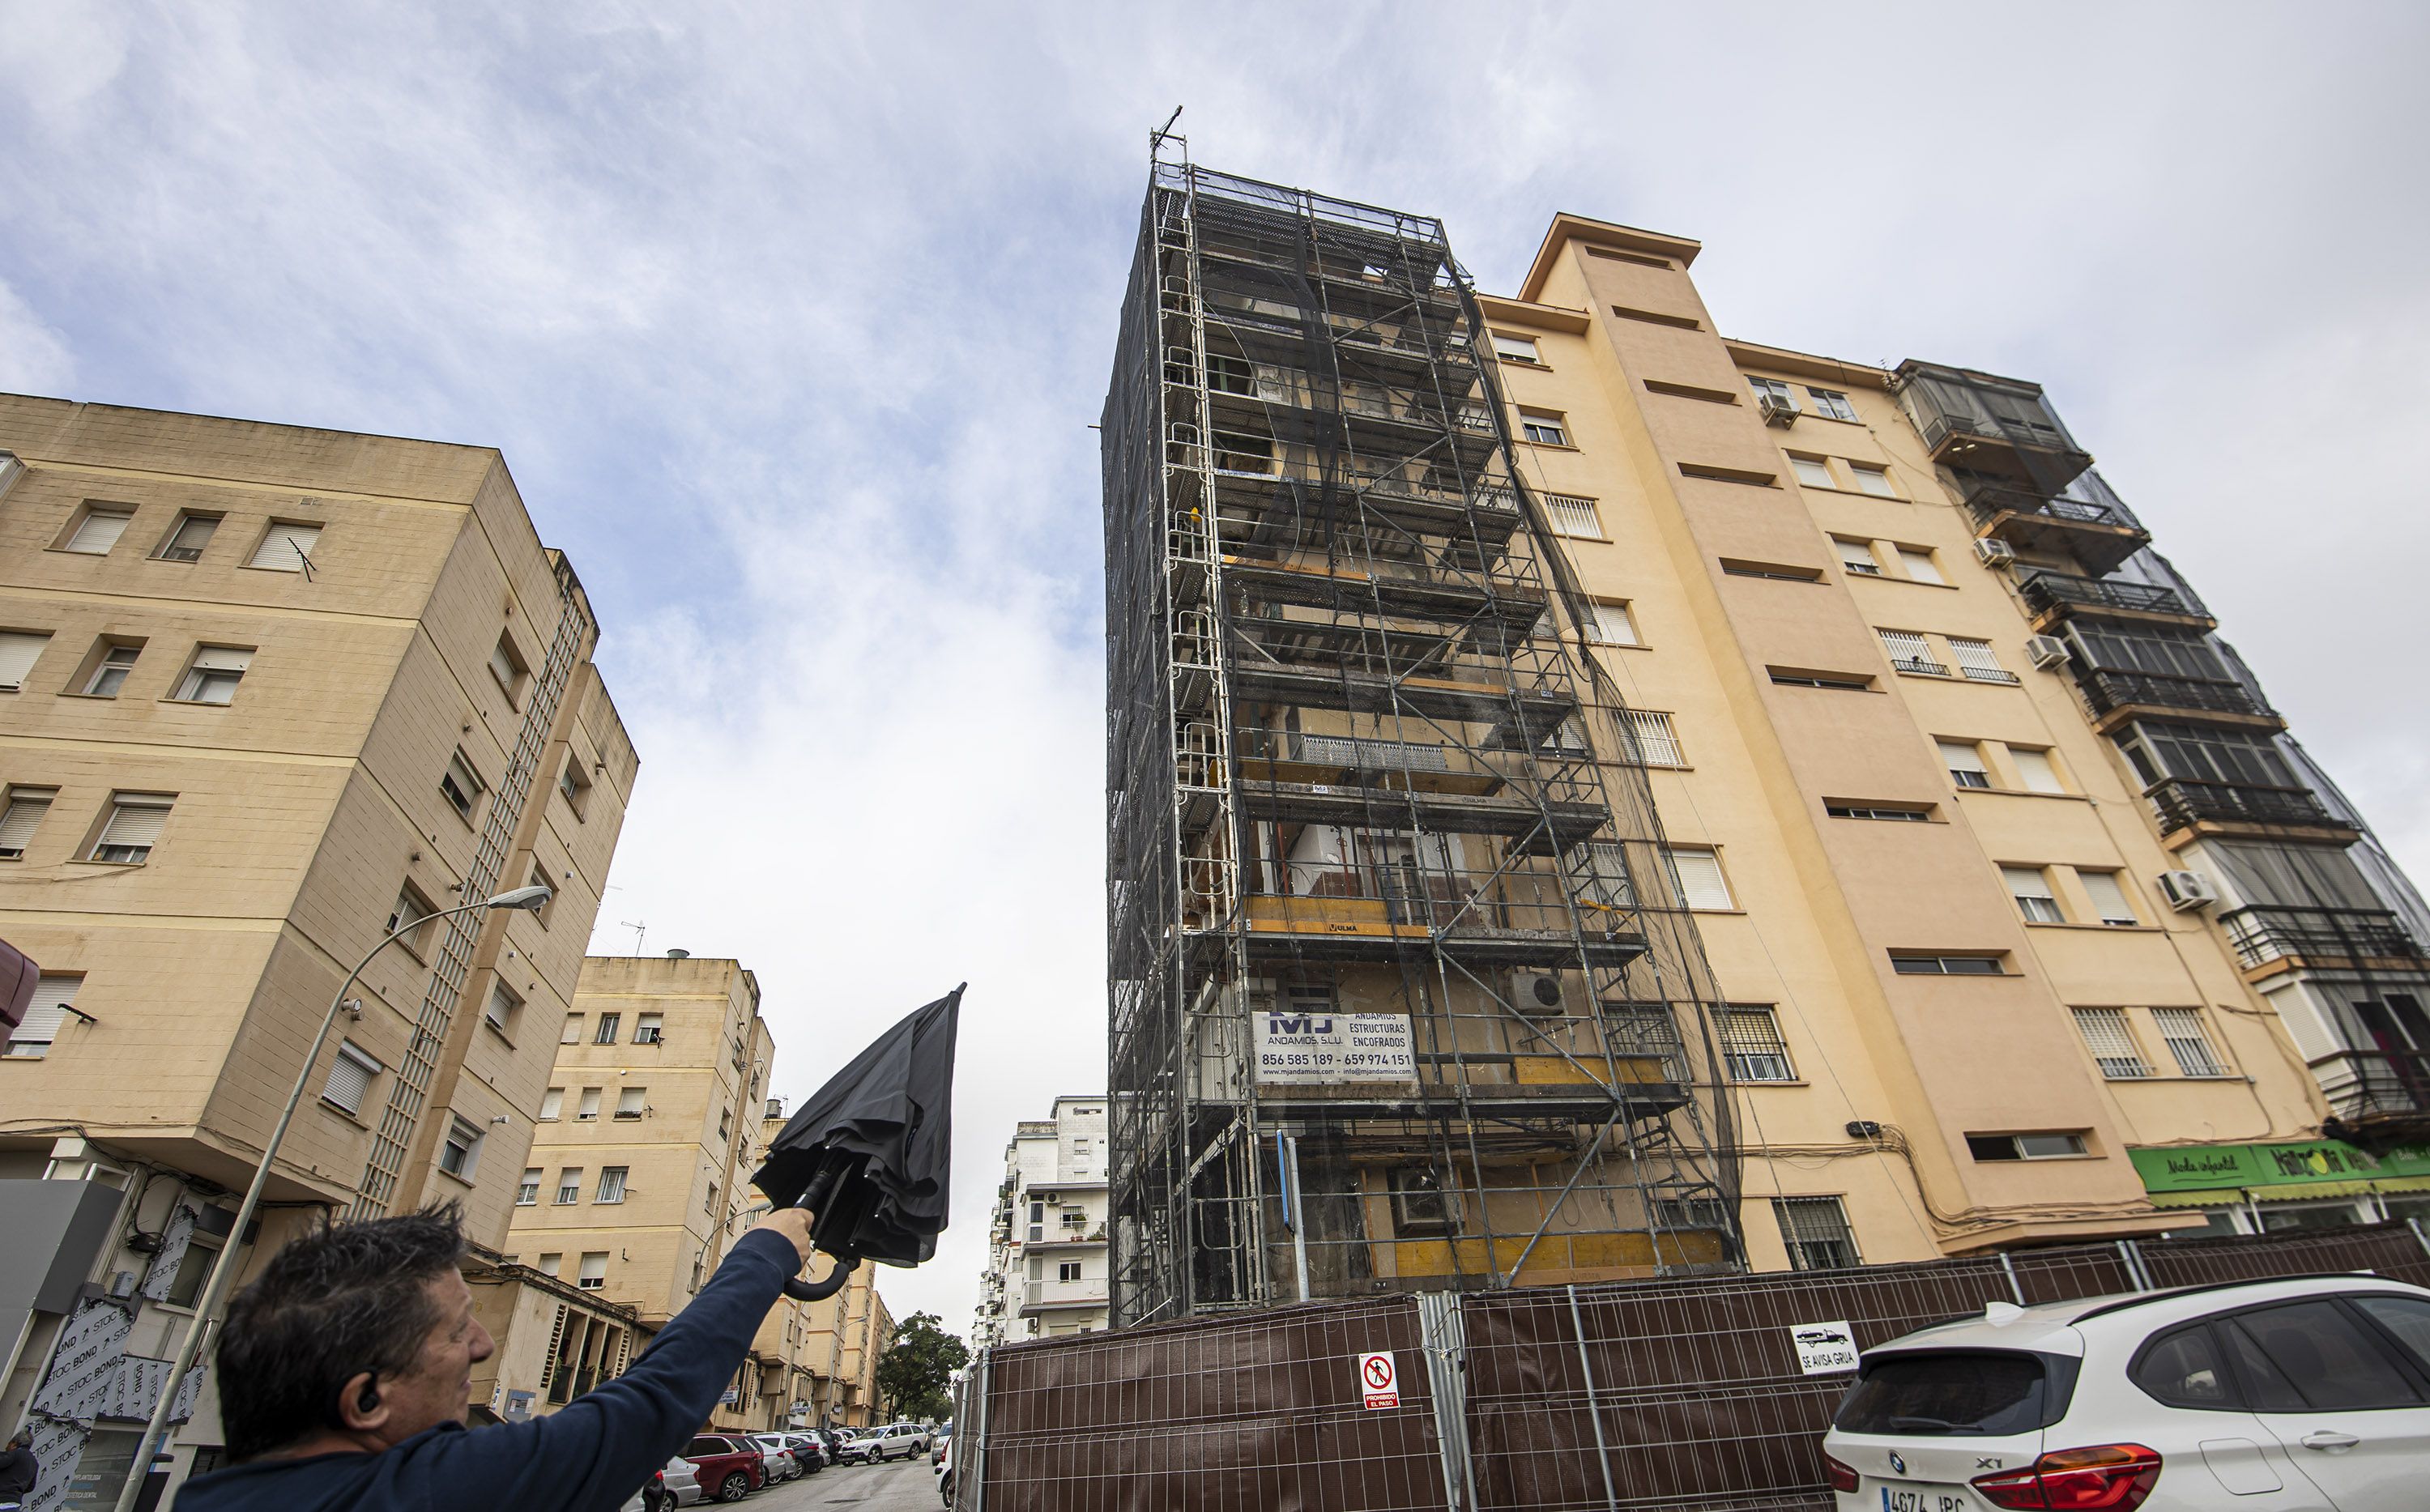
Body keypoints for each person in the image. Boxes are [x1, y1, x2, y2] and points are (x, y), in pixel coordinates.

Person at [175, 1201, 812, 1512]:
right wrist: (764, 1250)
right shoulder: (420, 1495)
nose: (481, 1344)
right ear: (366, 1401)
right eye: (457, 1331)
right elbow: (647, 1407)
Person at [0, 1426, 37, 1512]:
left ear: (14, 1444)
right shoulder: (34, 1462)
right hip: (14, 1504)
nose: (6, 1448)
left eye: (8, 1444)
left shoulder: (15, 1454)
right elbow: (31, 1487)